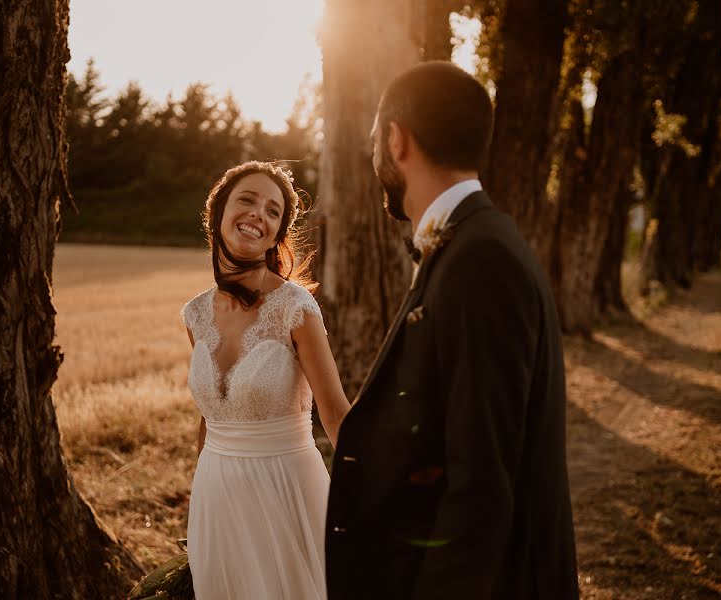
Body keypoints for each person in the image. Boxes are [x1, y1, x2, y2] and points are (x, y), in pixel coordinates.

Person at [325, 62, 579, 598]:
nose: (373, 154)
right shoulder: (476, 241)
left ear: (397, 141)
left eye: (375, 139)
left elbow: (482, 483)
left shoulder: (480, 259)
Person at [181, 161, 350, 599]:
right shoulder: (195, 314)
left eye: (273, 211)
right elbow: (211, 416)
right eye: (248, 200)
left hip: (288, 493)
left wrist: (377, 492)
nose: (259, 214)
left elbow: (335, 414)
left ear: (277, 235)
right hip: (216, 499)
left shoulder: (296, 309)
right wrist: (197, 501)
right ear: (217, 212)